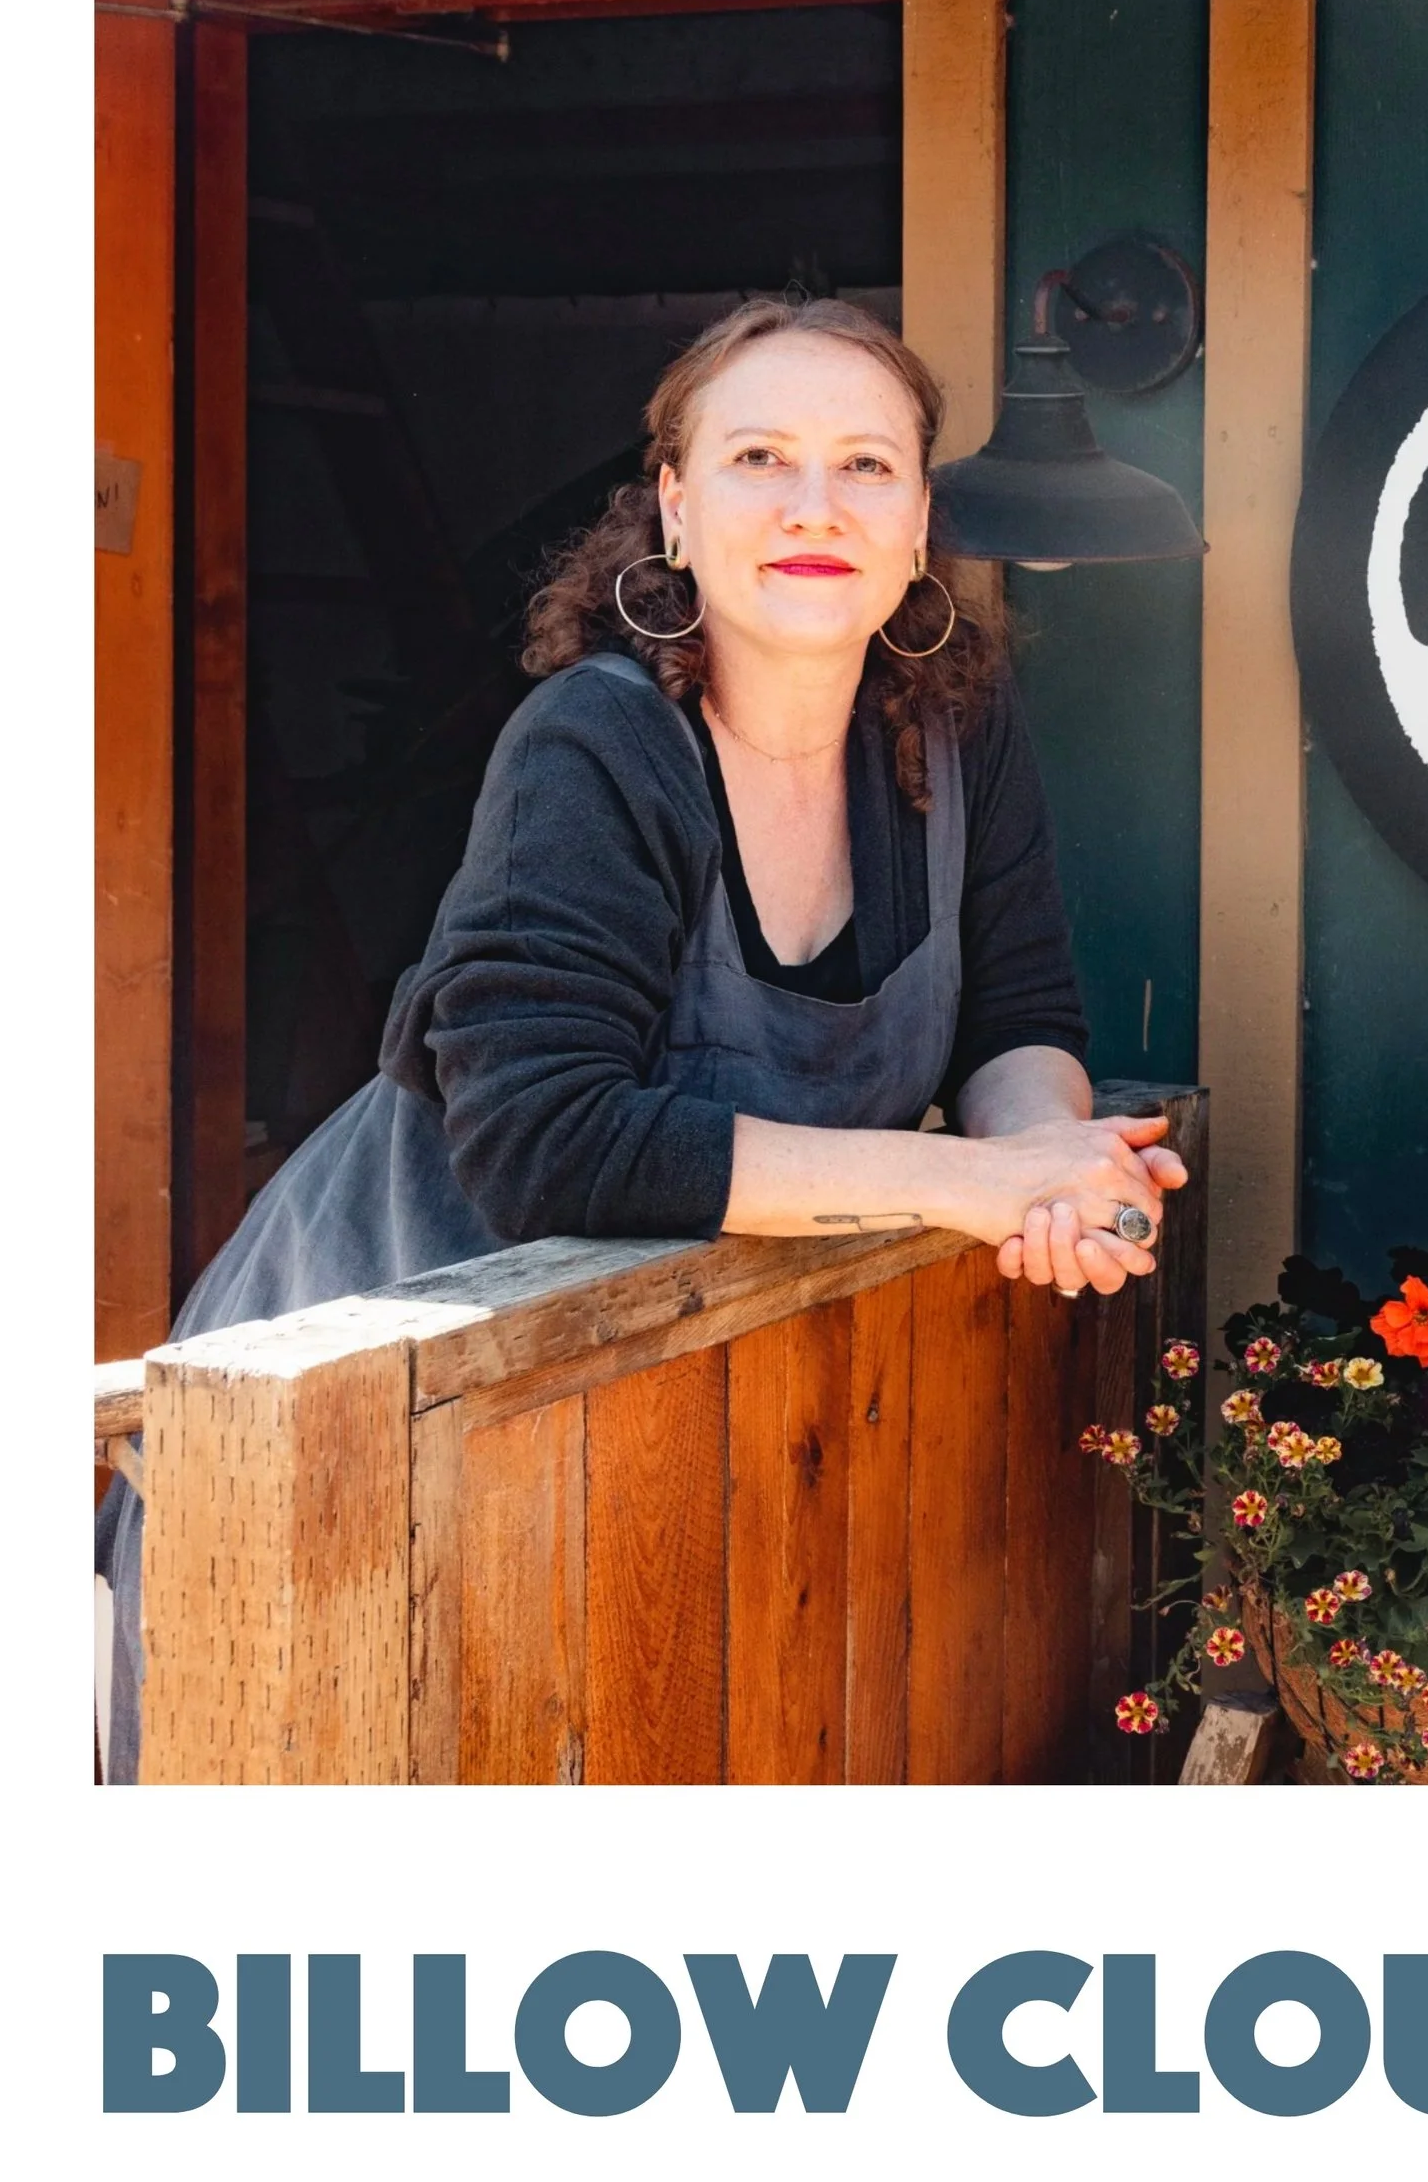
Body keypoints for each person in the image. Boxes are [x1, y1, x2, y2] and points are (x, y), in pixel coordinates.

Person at [97, 295, 1183, 1779]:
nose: (817, 506)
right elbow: (553, 1143)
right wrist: (961, 1187)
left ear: (921, 513)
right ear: (675, 505)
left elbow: (1019, 1016)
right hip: (381, 1379)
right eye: (759, 459)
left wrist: (1045, 1158)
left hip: (637, 1410)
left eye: (867, 466)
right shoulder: (598, 746)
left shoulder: (951, 725)